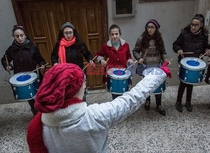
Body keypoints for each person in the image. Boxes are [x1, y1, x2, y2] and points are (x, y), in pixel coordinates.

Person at [26, 62, 171, 153]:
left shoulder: (38, 125)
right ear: (76, 90)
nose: (84, 85)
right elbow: (132, 98)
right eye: (83, 82)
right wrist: (158, 73)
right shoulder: (95, 116)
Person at [1, 25, 46, 115]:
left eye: (21, 35)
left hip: (34, 75)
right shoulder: (12, 49)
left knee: (40, 96)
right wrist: (8, 66)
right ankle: (35, 113)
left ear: (25, 35)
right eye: (17, 36)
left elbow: (40, 60)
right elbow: (4, 59)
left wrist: (42, 65)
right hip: (21, 78)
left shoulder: (32, 47)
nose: (20, 38)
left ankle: (44, 113)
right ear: (14, 37)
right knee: (29, 97)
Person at [133, 19, 171, 116]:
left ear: (156, 28)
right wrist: (139, 58)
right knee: (147, 86)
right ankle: (147, 101)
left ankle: (158, 104)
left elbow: (163, 52)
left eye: (152, 27)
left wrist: (166, 60)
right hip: (146, 66)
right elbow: (135, 51)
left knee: (158, 85)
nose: (150, 29)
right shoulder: (141, 38)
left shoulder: (159, 38)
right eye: (148, 27)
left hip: (157, 66)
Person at [173, 14, 210, 112]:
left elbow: (205, 47)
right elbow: (175, 44)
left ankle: (188, 101)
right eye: (192, 25)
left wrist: (207, 51)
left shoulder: (204, 36)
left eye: (196, 25)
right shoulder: (184, 34)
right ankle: (178, 101)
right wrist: (179, 49)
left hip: (195, 62)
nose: (193, 27)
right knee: (183, 82)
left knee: (191, 83)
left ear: (201, 25)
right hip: (184, 61)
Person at [51, 22, 94, 101]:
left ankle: (83, 107)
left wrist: (90, 59)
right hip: (66, 74)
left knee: (82, 93)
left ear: (74, 32)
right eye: (66, 33)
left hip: (79, 72)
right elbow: (53, 56)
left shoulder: (79, 43)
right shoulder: (59, 44)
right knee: (69, 94)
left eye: (70, 32)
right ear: (62, 34)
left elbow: (87, 53)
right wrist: (55, 63)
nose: (68, 35)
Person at [95, 24, 134, 100]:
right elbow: (98, 55)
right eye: (112, 34)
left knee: (124, 95)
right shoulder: (106, 46)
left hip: (123, 73)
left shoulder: (126, 45)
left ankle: (124, 110)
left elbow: (129, 56)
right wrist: (102, 60)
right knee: (115, 96)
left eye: (116, 34)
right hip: (112, 74)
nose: (114, 36)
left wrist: (130, 59)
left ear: (120, 34)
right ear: (110, 35)